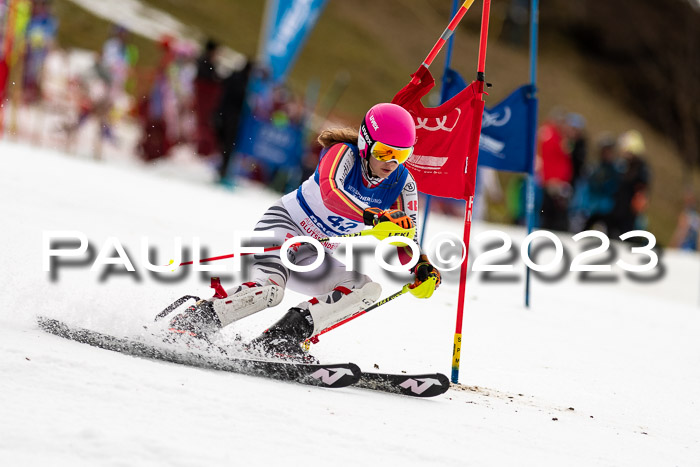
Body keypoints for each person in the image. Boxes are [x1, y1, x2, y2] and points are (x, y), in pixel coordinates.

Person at [167, 103, 441, 358]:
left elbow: (408, 240)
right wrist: (374, 217)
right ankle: (194, 321)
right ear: (365, 143)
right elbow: (331, 194)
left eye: (401, 155)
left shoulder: (403, 184)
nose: (391, 163)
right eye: (384, 152)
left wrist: (422, 267)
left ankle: (279, 341)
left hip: (315, 252)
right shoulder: (342, 154)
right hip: (282, 228)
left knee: (366, 289)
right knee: (269, 292)